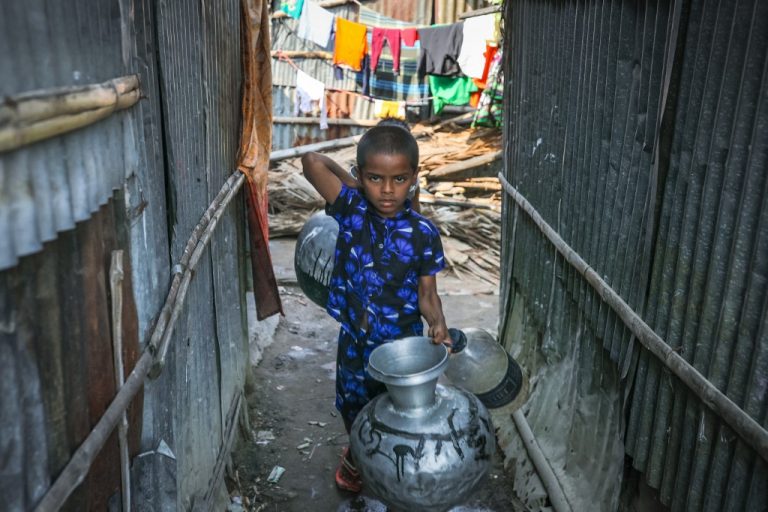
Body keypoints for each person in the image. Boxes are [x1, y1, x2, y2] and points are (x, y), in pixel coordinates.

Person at [301, 123, 450, 493]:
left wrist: (439, 326)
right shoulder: (350, 208)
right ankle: (358, 452)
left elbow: (427, 294)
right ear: (361, 175)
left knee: (399, 406)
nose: (387, 190)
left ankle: (388, 465)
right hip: (355, 339)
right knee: (352, 403)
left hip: (401, 343)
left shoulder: (423, 233)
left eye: (399, 179)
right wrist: (349, 182)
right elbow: (311, 161)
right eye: (375, 178)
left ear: (414, 177)